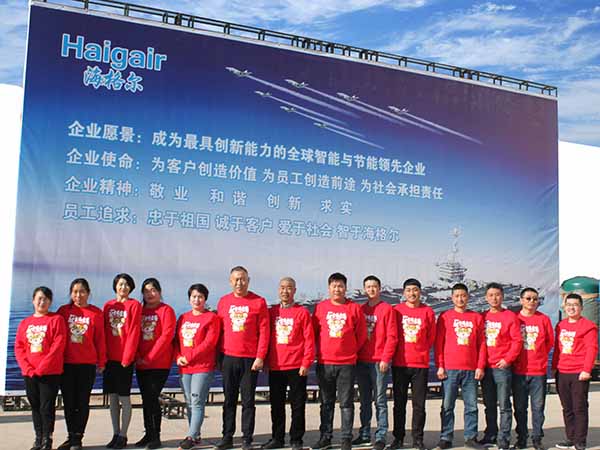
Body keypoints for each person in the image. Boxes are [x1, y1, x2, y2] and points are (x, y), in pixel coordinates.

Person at [215, 266, 270, 450]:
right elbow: (219, 331)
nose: (239, 283)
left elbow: (264, 332)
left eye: (243, 279)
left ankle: (247, 438)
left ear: (248, 280)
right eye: (236, 279)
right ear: (231, 281)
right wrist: (218, 358)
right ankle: (227, 436)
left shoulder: (258, 302)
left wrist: (260, 356)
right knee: (229, 400)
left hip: (250, 359)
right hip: (228, 357)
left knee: (248, 401)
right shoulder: (224, 301)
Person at [311, 272, 367, 450]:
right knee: (326, 403)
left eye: (340, 286)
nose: (337, 289)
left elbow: (361, 335)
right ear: (329, 288)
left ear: (345, 288)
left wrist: (350, 350)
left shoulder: (354, 308)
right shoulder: (321, 308)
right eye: (334, 286)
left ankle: (346, 438)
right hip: (325, 363)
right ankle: (325, 437)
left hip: (346, 364)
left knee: (346, 403)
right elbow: (313, 332)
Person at [262, 277, 314, 450]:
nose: (285, 291)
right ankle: (277, 438)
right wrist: (266, 360)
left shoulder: (302, 312)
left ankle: (296, 439)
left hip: (296, 366)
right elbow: (265, 337)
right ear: (279, 290)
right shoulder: (272, 312)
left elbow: (309, 339)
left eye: (289, 288)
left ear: (294, 290)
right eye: (282, 288)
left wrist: (306, 363)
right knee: (276, 405)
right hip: (276, 366)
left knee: (297, 405)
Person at [434, 283, 486, 450]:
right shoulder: (445, 316)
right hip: (450, 369)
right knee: (447, 406)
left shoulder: (476, 317)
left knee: (471, 406)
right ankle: (445, 437)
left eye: (463, 295)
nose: (460, 299)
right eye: (457, 296)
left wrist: (480, 366)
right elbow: (439, 343)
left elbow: (482, 344)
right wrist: (440, 365)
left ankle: (471, 437)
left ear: (468, 297)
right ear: (452, 298)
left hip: (471, 369)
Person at [56, 278, 106, 450]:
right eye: (75, 292)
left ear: (88, 293)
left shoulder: (96, 313)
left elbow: (100, 340)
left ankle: (78, 438)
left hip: (87, 364)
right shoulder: (63, 311)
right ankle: (71, 436)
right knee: (69, 402)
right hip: (66, 364)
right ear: (71, 294)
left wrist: (102, 361)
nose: (78, 295)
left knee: (82, 402)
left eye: (82, 291)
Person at [15, 286, 67, 450]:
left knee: (47, 407)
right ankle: (38, 438)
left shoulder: (56, 320)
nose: (42, 302)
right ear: (33, 300)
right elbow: (19, 347)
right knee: (35, 406)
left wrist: (42, 368)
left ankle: (47, 439)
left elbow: (57, 346)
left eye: (45, 299)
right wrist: (28, 368)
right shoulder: (25, 323)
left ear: (50, 302)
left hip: (49, 373)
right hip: (30, 373)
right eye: (39, 298)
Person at [390, 279, 435, 450]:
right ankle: (398, 438)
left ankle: (418, 439)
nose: (412, 293)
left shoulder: (427, 311)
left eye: (415, 290)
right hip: (400, 364)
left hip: (420, 365)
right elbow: (392, 334)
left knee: (419, 405)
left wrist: (421, 350)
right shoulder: (397, 310)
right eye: (408, 290)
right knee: (399, 404)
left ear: (420, 292)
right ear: (403, 293)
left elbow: (431, 337)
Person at [353, 275, 398, 450]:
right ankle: (364, 434)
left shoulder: (387, 309)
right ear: (364, 289)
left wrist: (386, 358)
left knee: (380, 400)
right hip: (362, 361)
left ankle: (380, 436)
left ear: (379, 288)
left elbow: (392, 337)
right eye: (368, 287)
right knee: (364, 401)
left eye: (374, 286)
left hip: (379, 362)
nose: (371, 289)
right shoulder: (360, 309)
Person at [175, 283, 222, 450]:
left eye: (200, 297)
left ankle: (191, 436)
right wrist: (178, 357)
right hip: (184, 367)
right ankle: (195, 434)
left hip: (202, 367)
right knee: (189, 402)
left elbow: (209, 343)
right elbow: (176, 341)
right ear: (189, 299)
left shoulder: (211, 318)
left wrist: (188, 357)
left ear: (205, 299)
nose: (197, 300)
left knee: (196, 401)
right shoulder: (183, 318)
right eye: (194, 296)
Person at [479, 283, 522, 450]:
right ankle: (490, 434)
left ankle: (503, 439)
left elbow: (517, 341)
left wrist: (507, 360)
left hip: (501, 367)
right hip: (486, 367)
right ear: (486, 297)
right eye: (491, 295)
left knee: (504, 405)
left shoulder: (510, 316)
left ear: (502, 296)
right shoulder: (482, 317)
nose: (494, 298)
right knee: (489, 404)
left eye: (497, 295)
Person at [552, 293, 598, 450]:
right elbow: (557, 349)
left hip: (579, 373)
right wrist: (554, 367)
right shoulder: (561, 325)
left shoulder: (588, 326)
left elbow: (592, 349)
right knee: (567, 408)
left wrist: (586, 370)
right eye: (569, 304)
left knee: (579, 408)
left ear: (581, 307)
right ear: (564, 307)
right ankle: (570, 438)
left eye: (575, 305)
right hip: (562, 372)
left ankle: (580, 441)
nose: (571, 307)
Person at [135, 278, 177, 449]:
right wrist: (138, 356)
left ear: (159, 292)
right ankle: (148, 433)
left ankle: (155, 436)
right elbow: (133, 334)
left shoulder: (166, 310)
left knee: (152, 398)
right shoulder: (139, 311)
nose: (150, 294)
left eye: (153, 290)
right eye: (146, 291)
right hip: (141, 363)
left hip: (159, 363)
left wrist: (149, 357)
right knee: (146, 399)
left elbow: (166, 336)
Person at [103, 273, 142, 449]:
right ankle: (115, 433)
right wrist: (102, 358)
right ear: (115, 286)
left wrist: (128, 357)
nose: (123, 287)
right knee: (112, 398)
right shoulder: (108, 305)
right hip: (109, 359)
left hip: (124, 359)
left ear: (131, 287)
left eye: (126, 284)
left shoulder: (134, 305)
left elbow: (134, 332)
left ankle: (123, 434)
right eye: (120, 284)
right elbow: (103, 332)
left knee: (124, 398)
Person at [512, 288, 554, 450]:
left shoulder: (543, 319)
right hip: (519, 372)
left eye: (535, 299)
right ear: (521, 300)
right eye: (528, 298)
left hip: (538, 372)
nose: (532, 302)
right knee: (520, 408)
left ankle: (537, 438)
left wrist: (540, 356)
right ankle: (521, 438)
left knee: (538, 408)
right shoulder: (515, 319)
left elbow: (549, 341)